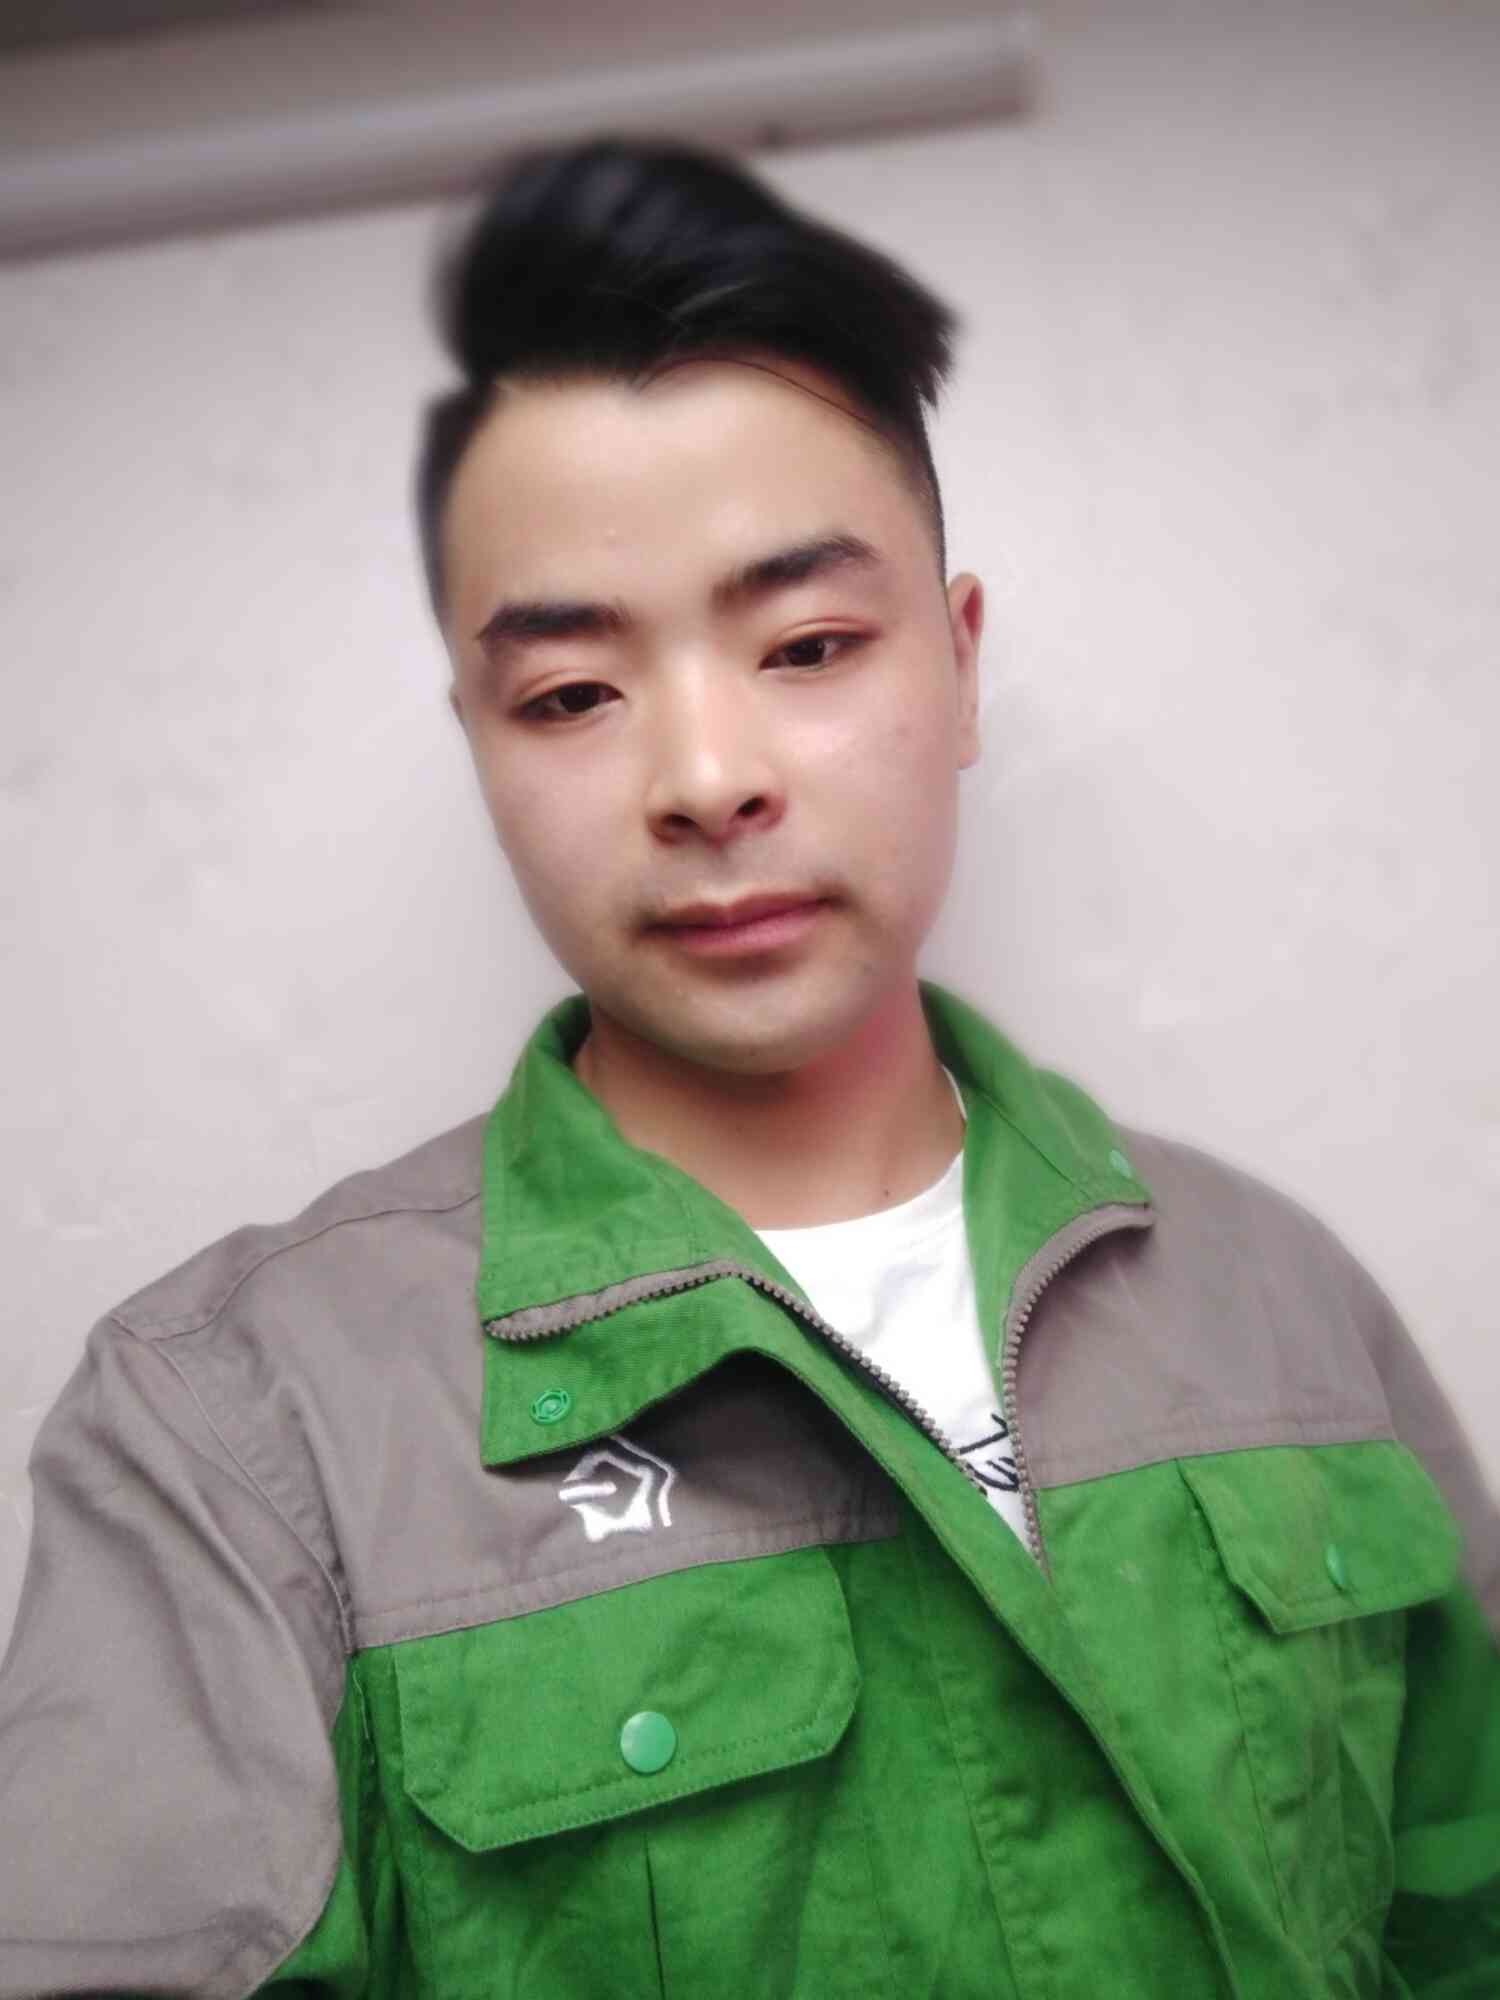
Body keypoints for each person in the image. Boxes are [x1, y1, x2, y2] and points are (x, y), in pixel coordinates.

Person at [1, 134, 1496, 2000]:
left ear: (958, 666)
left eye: (807, 644)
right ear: (480, 739)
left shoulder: (1279, 1295)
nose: (708, 779)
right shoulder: (235, 1430)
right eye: (573, 693)